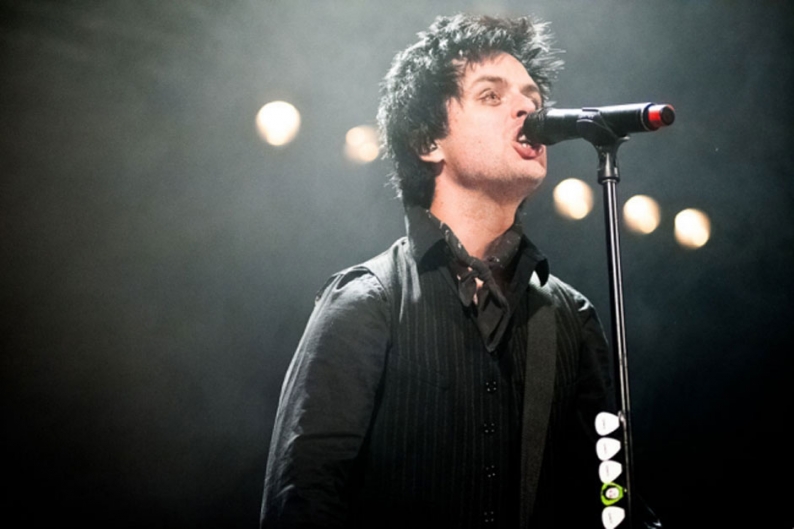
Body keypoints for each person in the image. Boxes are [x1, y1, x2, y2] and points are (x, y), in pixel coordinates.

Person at [261, 14, 615, 528]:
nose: (528, 108)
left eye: (532, 99)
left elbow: (602, 504)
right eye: (491, 96)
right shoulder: (367, 302)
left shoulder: (568, 316)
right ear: (428, 141)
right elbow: (302, 502)